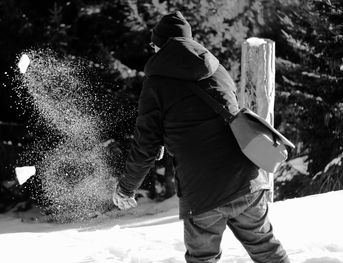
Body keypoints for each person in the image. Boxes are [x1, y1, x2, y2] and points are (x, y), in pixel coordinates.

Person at [112, 11, 290, 263]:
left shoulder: (156, 84)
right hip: (247, 178)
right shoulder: (216, 68)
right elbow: (211, 119)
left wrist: (126, 188)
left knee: (202, 259)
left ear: (161, 45)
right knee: (266, 249)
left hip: (203, 192)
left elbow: (144, 145)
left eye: (153, 44)